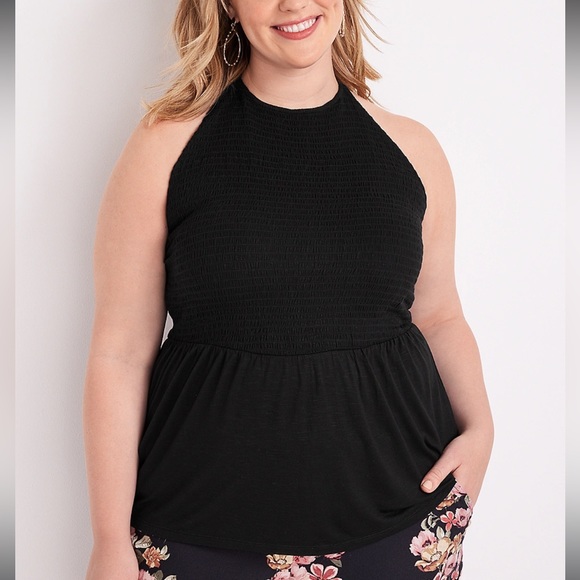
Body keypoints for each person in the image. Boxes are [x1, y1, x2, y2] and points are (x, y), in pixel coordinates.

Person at [82, 0, 494, 578]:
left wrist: (481, 429)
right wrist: (108, 541)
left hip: (402, 522)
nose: (293, 3)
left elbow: (440, 315)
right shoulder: (166, 146)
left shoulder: (412, 148)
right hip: (198, 530)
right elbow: (120, 352)